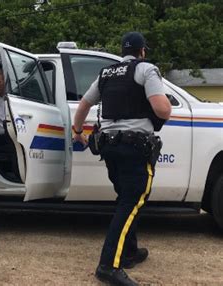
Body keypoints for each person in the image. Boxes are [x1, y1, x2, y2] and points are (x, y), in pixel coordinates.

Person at [73, 32, 171, 286]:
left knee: (126, 198)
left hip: (110, 147)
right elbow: (162, 109)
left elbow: (84, 105)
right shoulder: (147, 70)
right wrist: (164, 106)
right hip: (134, 147)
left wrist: (77, 131)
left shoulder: (106, 73)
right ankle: (108, 266)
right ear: (142, 51)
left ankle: (129, 251)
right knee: (132, 202)